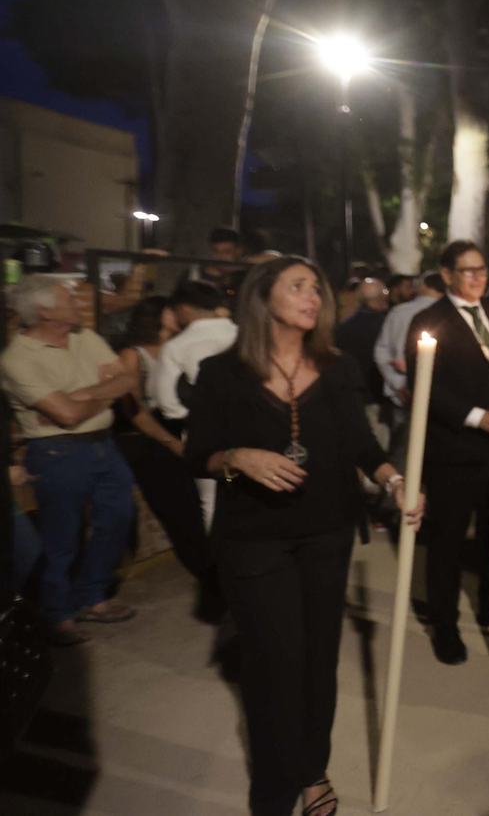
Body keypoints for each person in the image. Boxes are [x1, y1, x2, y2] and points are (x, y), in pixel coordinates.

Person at [184, 256, 423, 816]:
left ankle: (311, 770)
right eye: (297, 287)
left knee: (318, 661)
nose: (313, 297)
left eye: (316, 287)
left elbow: (362, 445)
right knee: (274, 664)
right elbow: (197, 457)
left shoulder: (336, 368)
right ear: (261, 298)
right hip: (254, 542)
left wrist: (394, 480)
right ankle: (273, 789)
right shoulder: (223, 373)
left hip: (327, 535)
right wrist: (238, 458)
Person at [405, 240, 489, 664]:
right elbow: (428, 390)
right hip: (456, 448)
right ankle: (444, 624)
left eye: (482, 269)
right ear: (446, 275)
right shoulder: (429, 321)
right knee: (446, 540)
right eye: (468, 271)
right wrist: (477, 417)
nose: (478, 278)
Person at [1, 275, 141, 646]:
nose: (79, 302)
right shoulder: (16, 358)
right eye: (69, 299)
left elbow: (126, 380)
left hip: (102, 445)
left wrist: (80, 396)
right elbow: (64, 417)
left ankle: (91, 595)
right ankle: (58, 614)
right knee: (61, 537)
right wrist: (90, 399)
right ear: (45, 312)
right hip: (56, 452)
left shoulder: (84, 337)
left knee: (119, 518)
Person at [112, 297, 223, 622]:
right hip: (153, 443)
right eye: (172, 309)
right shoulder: (133, 354)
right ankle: (211, 580)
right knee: (184, 514)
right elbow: (133, 411)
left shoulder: (181, 345)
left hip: (184, 435)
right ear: (157, 315)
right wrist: (173, 444)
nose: (180, 313)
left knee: (204, 507)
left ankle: (218, 575)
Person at [374, 272, 447, 469]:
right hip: (434, 399)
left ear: (422, 286)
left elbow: (381, 351)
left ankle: (397, 493)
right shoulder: (446, 315)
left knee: (402, 456)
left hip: (405, 396)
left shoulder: (399, 312)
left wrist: (397, 384)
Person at [156, 280, 238, 425]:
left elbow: (167, 401)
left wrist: (196, 421)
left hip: (208, 427)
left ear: (183, 309)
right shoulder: (244, 334)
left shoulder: (176, 346)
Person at [335, 277, 391, 442]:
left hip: (350, 397)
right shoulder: (384, 326)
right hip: (376, 398)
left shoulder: (344, 327)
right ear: (381, 298)